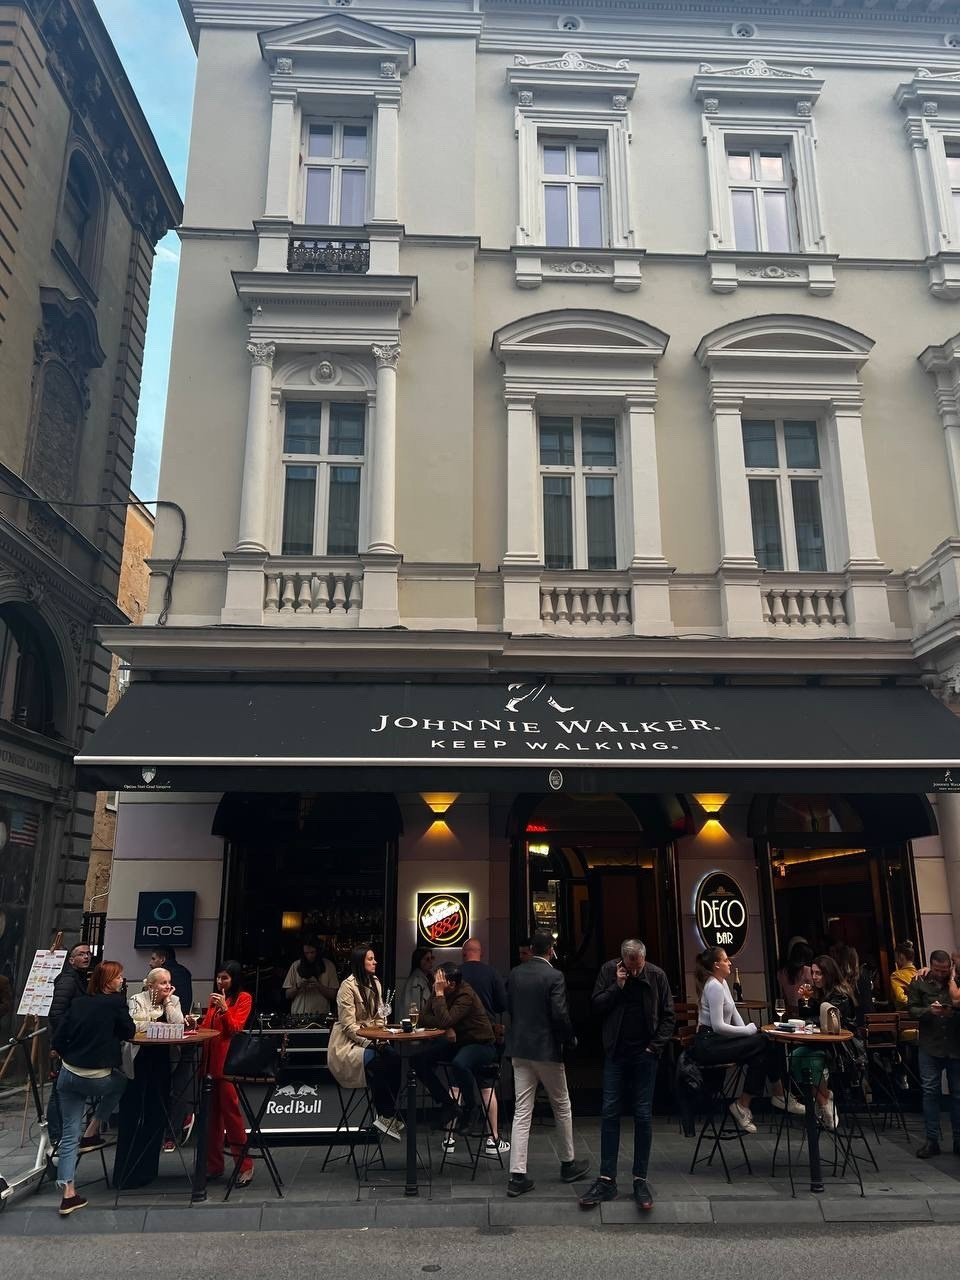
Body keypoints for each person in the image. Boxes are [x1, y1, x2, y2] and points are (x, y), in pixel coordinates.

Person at [578, 939, 675, 1212]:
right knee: (610, 1111)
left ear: (643, 958)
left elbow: (668, 1016)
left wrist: (654, 1047)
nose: (634, 971)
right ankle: (607, 1179)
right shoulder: (609, 971)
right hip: (616, 1052)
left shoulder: (656, 975)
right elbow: (596, 1005)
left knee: (643, 1114)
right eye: (629, 966)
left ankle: (639, 1179)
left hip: (645, 1054)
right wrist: (617, 986)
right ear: (622, 959)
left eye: (638, 966)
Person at [504, 930, 589, 1197]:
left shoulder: (515, 974)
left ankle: (517, 1174)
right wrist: (570, 1039)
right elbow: (560, 1014)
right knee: (561, 1105)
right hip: (547, 1049)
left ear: (531, 949)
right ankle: (568, 1163)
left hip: (520, 1048)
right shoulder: (555, 976)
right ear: (551, 950)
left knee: (522, 1111)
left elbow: (509, 1007)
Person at [51, 960, 135, 1216]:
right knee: (122, 1081)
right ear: (108, 981)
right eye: (118, 977)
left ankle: (68, 1194)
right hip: (98, 1077)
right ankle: (93, 1129)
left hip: (68, 1073)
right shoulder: (116, 1003)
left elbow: (59, 1037)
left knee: (69, 1133)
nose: (121, 980)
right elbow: (129, 1031)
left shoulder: (78, 1003)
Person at [691, 946, 801, 1137]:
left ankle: (747, 1103)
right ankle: (776, 1095)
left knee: (762, 1048)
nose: (730, 963)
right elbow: (718, 1026)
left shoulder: (723, 983)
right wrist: (747, 1031)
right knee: (764, 1041)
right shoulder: (713, 986)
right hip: (709, 1044)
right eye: (726, 960)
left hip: (719, 1040)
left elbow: (734, 1012)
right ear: (716, 965)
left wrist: (749, 1036)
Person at [113, 967, 186, 1187]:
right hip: (140, 1060)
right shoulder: (137, 999)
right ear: (151, 985)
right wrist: (158, 1024)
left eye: (169, 982)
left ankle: (149, 1169)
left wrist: (168, 1003)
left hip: (162, 1060)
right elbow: (135, 1025)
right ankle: (127, 1172)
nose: (167, 986)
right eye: (162, 983)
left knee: (157, 1110)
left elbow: (178, 1024)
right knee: (135, 1110)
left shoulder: (174, 1000)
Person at [416, 962, 500, 1148]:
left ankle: (470, 1109)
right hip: (458, 1043)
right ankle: (449, 1105)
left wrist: (440, 999)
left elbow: (444, 1020)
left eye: (440, 981)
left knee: (459, 1064)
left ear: (452, 984)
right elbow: (423, 1018)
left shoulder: (465, 994)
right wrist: (447, 1026)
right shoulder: (440, 990)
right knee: (419, 1060)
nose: (436, 984)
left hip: (480, 1044)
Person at [327, 946, 404, 1142]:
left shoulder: (375, 982)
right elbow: (348, 1026)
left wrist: (382, 1036)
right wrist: (371, 1042)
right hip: (349, 1042)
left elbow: (379, 1017)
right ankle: (385, 1114)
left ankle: (388, 1114)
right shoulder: (347, 986)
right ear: (360, 962)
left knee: (395, 1059)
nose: (375, 962)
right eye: (370, 959)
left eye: (374, 958)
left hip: (372, 1037)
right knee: (379, 1063)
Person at [199, 961, 255, 1184]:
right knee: (211, 1119)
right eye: (218, 977)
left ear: (234, 979)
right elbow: (207, 1027)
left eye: (225, 978)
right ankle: (214, 1165)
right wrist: (194, 1024)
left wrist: (223, 1009)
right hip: (209, 1064)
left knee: (232, 1117)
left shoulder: (243, 998)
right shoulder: (214, 999)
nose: (220, 982)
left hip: (226, 1065)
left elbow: (235, 1028)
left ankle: (245, 1165)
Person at [788, 955, 857, 1131]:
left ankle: (824, 1102)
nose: (814, 977)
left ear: (829, 973)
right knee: (794, 1057)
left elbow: (827, 1020)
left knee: (811, 1061)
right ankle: (825, 1099)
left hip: (839, 1047)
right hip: (821, 1043)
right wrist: (805, 1000)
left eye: (818, 973)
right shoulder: (820, 992)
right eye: (813, 973)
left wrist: (806, 1021)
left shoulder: (840, 995)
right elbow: (809, 1016)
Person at [908, 949, 960, 1158]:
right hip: (930, 1045)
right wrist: (929, 1010)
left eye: (944, 970)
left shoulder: (956, 982)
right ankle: (932, 1140)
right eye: (937, 970)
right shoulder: (919, 982)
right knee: (930, 1092)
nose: (940, 974)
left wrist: (952, 1012)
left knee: (957, 1094)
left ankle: (958, 1139)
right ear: (931, 965)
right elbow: (911, 1009)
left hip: (955, 1045)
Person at [459, 937, 509, 1151]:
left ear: (463, 954)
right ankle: (493, 1139)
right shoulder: (492, 973)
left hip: (459, 1036)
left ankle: (449, 1140)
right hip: (484, 1037)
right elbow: (502, 1005)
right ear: (481, 953)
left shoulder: (456, 973)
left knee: (455, 1087)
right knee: (487, 1087)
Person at [47, 941, 93, 1145]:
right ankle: (56, 1134)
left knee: (64, 1087)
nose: (87, 956)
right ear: (71, 960)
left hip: (71, 1040)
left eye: (88, 953)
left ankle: (63, 1132)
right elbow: (57, 1013)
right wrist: (65, 1039)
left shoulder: (80, 978)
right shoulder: (68, 980)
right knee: (59, 1088)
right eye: (81, 954)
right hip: (66, 1042)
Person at [282, 937, 338, 1019]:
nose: (309, 956)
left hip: (321, 1016)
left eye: (312, 952)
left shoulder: (329, 966)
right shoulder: (295, 965)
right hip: (298, 1015)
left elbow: (333, 995)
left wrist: (318, 985)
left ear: (318, 951)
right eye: (306, 953)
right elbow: (287, 995)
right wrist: (298, 985)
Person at [148, 945, 193, 1016]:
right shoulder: (185, 972)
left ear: (162, 960)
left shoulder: (160, 975)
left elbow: (150, 998)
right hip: (184, 1016)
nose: (150, 963)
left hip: (165, 1016)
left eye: (153, 959)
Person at [836, 944, 874, 1024]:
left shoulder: (857, 977)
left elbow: (857, 1004)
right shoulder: (863, 974)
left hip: (859, 1020)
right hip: (868, 1017)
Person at [776, 942, 814, 1016]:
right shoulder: (807, 971)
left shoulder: (781, 973)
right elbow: (813, 995)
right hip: (803, 1013)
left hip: (793, 1013)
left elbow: (784, 997)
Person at [400, 946, 435, 1014]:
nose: (431, 961)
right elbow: (413, 1010)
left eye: (432, 958)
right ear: (419, 961)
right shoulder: (415, 982)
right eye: (427, 959)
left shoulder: (428, 978)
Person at [890, 941, 918, 1009]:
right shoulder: (920, 973)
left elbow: (901, 998)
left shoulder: (897, 975)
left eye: (896, 957)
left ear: (901, 956)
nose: (896, 961)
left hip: (906, 1012)